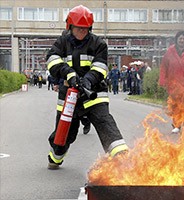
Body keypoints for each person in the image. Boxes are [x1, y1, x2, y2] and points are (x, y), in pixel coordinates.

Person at [46, 5, 128, 169]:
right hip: (68, 97)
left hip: (93, 94)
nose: (82, 32)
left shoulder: (98, 43)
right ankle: (55, 158)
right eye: (78, 29)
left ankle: (122, 159)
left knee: (105, 123)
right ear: (70, 27)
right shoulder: (62, 41)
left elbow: (101, 67)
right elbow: (52, 59)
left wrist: (88, 80)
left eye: (85, 29)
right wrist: (68, 73)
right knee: (64, 134)